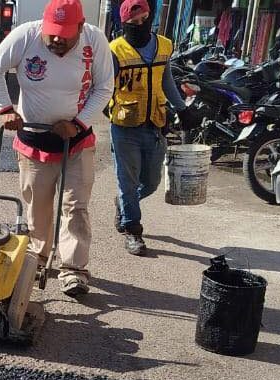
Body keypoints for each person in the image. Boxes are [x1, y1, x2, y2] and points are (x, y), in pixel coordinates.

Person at [0, 0, 114, 297]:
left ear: (80, 28)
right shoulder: (27, 36)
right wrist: (5, 109)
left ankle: (73, 269)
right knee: (37, 207)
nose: (56, 39)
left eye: (64, 34)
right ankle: (39, 258)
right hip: (34, 139)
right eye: (52, 32)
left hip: (76, 142)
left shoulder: (94, 40)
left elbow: (104, 86)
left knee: (75, 207)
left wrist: (79, 123)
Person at [109, 0, 195, 256]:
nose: (140, 25)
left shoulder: (164, 45)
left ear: (150, 16)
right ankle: (133, 230)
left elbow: (166, 80)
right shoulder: (116, 50)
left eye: (144, 19)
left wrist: (181, 108)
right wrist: (101, 109)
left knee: (152, 182)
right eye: (133, 22)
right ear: (124, 23)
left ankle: (124, 205)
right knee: (128, 181)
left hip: (155, 124)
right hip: (124, 127)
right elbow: (103, 85)